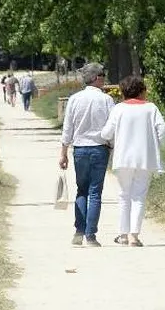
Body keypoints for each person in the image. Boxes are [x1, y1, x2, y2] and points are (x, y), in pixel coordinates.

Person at [100, 75, 165, 247]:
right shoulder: (151, 108)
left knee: (124, 195)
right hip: (145, 158)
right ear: (142, 91)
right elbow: (162, 131)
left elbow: (106, 134)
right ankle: (134, 236)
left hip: (123, 158)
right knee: (139, 196)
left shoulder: (118, 109)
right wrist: (154, 144)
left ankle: (122, 234)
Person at [59, 63, 115, 246]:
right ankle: (91, 235)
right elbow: (112, 127)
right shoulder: (107, 100)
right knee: (95, 193)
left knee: (81, 190)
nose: (104, 79)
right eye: (103, 75)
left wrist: (63, 153)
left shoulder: (75, 99)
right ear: (96, 78)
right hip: (100, 148)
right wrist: (112, 146)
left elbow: (68, 128)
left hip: (80, 149)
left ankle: (79, 231)